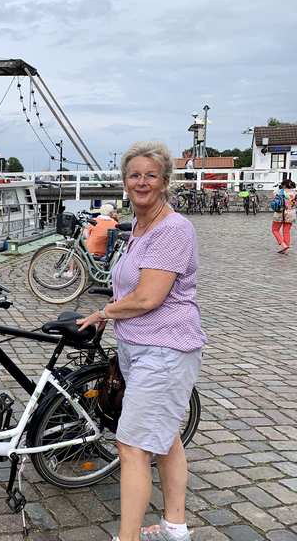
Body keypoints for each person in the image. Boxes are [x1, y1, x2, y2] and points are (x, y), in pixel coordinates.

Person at [78, 141, 206, 541]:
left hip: (165, 350)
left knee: (132, 446)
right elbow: (129, 288)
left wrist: (103, 313)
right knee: (165, 437)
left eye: (151, 175)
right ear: (124, 182)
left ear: (165, 181)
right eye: (134, 175)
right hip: (140, 349)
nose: (142, 182)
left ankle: (128, 538)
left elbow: (150, 297)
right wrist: (114, 314)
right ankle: (174, 527)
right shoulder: (139, 227)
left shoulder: (173, 229)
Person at [272, 178, 297, 253]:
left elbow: (274, 199)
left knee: (275, 230)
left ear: (283, 185)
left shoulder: (279, 192)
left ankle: (283, 245)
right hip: (291, 213)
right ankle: (285, 249)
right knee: (286, 231)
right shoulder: (295, 193)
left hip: (280, 213)